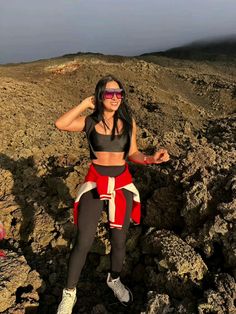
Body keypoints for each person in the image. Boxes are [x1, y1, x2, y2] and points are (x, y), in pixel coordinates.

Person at [55, 75, 170, 314]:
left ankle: (114, 279)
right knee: (84, 241)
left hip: (121, 183)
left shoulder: (128, 122)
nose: (116, 98)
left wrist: (150, 159)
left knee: (119, 241)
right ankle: (69, 294)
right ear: (99, 96)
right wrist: (84, 104)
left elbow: (134, 153)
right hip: (96, 181)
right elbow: (61, 124)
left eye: (119, 93)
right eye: (109, 94)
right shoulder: (89, 122)